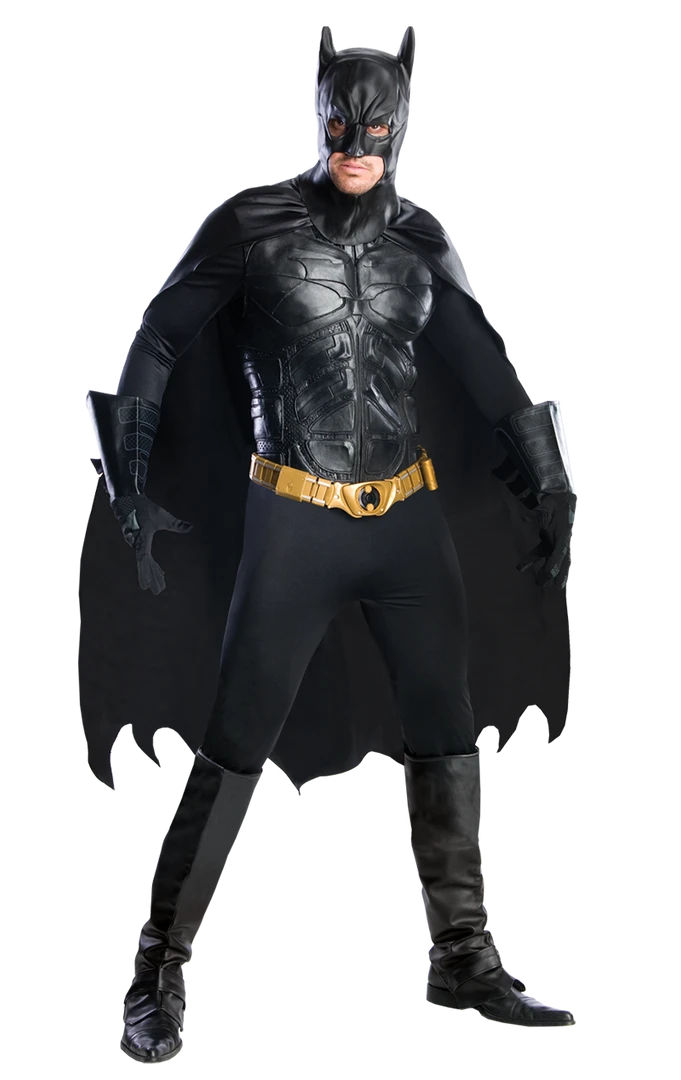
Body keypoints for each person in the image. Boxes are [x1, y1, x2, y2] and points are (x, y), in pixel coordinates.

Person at [86, 25, 577, 1061]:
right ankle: (155, 976)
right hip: (294, 515)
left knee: (448, 729)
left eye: (375, 130)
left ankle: (463, 962)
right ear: (318, 116)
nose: (356, 147)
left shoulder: (420, 240)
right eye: (340, 126)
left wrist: (549, 483)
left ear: (403, 124)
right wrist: (129, 476)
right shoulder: (252, 225)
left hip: (408, 519)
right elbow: (162, 336)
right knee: (235, 740)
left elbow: (483, 365)